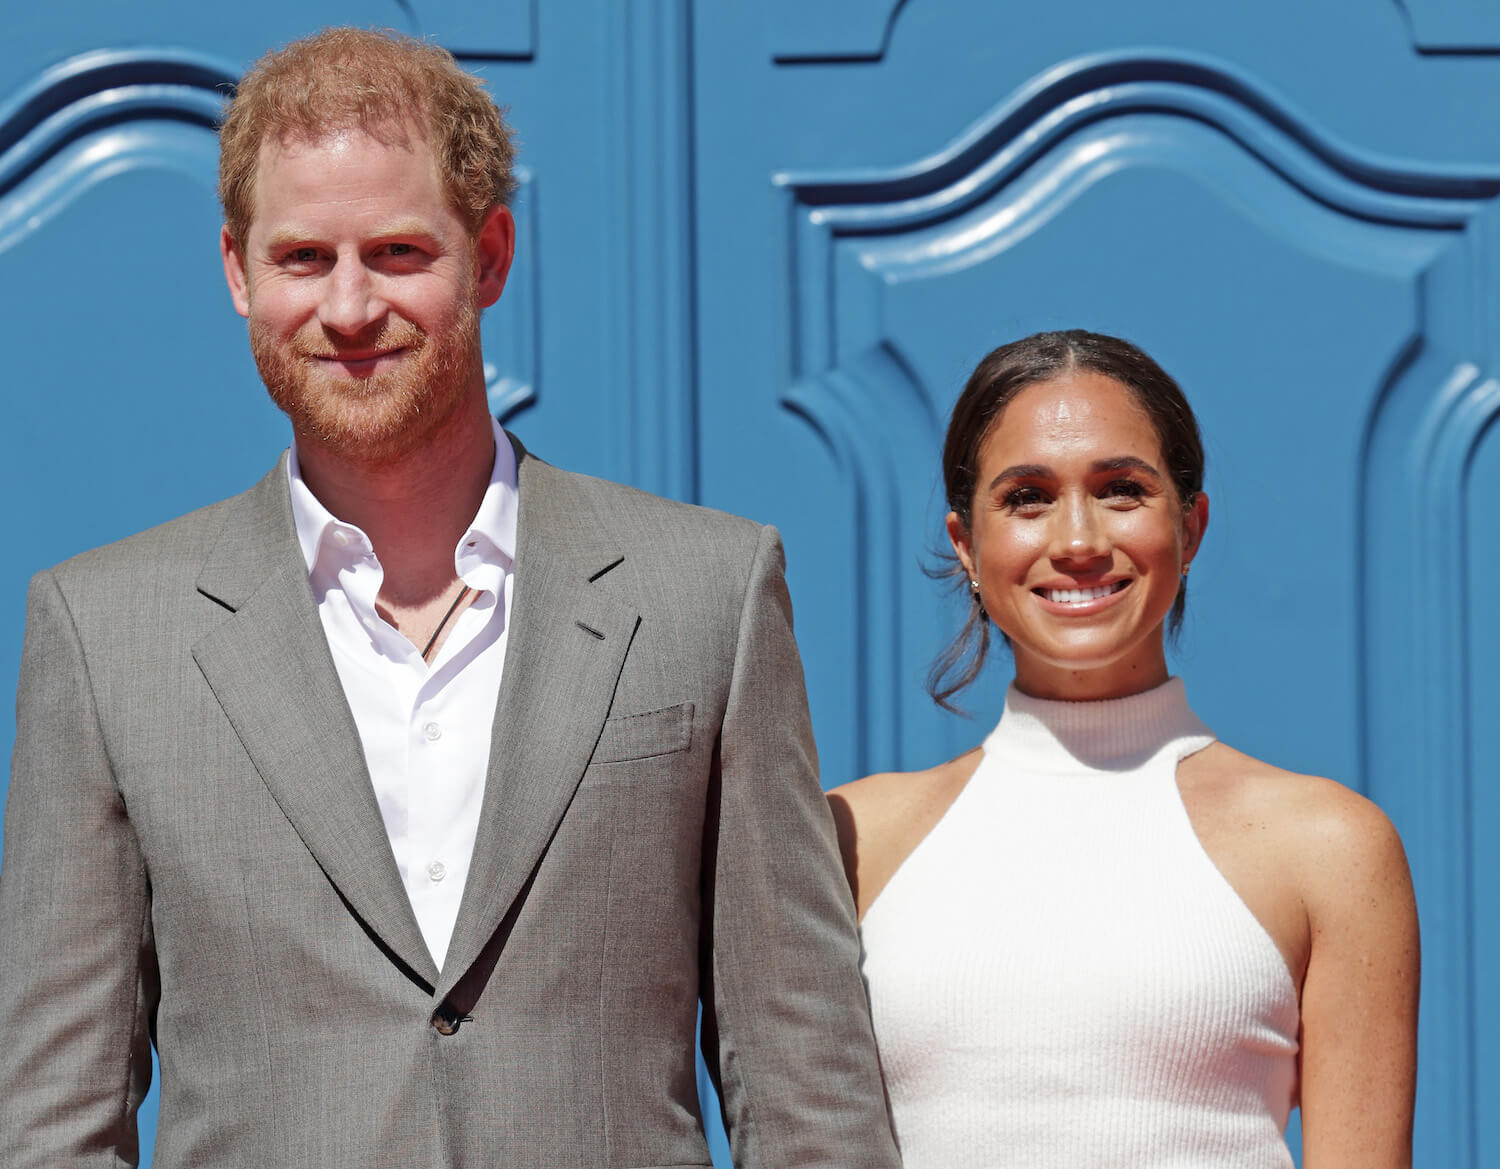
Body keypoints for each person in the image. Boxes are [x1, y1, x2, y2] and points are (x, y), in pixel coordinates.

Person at [0, 28, 900, 1169]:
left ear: (491, 253)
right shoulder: (105, 633)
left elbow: (804, 1077)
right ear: (237, 270)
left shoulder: (704, 594)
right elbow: (51, 1119)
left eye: (398, 250)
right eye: (302, 259)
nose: (350, 306)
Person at [829, 330, 1419, 1168]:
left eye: (1121, 490)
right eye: (1028, 497)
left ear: (1192, 523)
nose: (1077, 538)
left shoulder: (1331, 846)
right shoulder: (852, 837)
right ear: (966, 544)